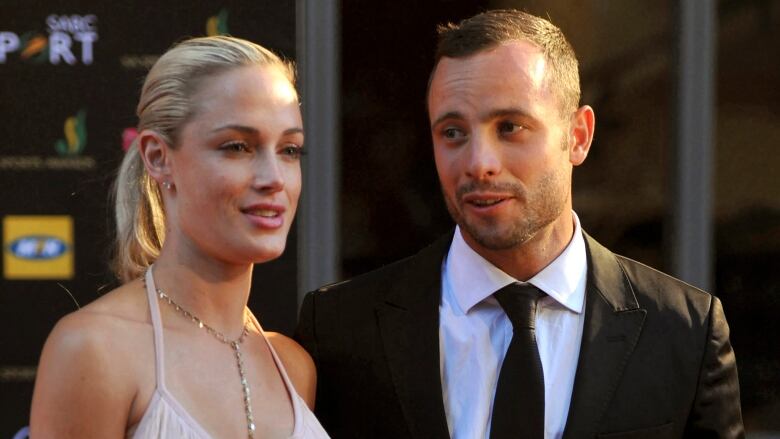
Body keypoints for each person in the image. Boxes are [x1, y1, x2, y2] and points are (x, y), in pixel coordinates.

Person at [295, 9, 743, 439]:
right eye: (453, 132)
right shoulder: (341, 331)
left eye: (510, 127)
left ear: (579, 136)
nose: (479, 163)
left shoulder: (684, 332)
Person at [30, 36, 329, 438]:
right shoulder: (94, 350)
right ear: (158, 157)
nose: (274, 178)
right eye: (238, 146)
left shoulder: (293, 367)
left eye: (290, 150)